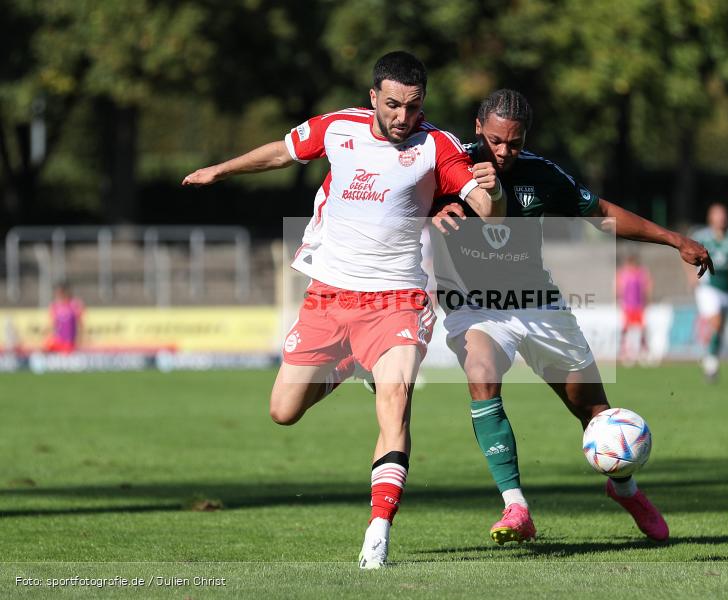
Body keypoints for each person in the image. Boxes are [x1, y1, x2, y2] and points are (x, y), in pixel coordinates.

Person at [182, 51, 506, 569]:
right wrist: (220, 171)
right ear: (374, 97)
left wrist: (489, 191)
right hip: (329, 295)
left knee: (395, 398)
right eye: (394, 105)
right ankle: (352, 365)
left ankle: (377, 532)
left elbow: (484, 207)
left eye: (414, 106)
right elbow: (281, 153)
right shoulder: (337, 128)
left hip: (398, 298)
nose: (404, 117)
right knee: (283, 411)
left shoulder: (437, 145)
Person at [429, 89, 713, 545]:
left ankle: (625, 488)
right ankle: (515, 505)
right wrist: (431, 213)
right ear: (479, 127)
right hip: (476, 305)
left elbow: (599, 212)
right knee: (481, 373)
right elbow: (397, 207)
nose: (504, 152)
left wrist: (672, 238)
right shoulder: (446, 168)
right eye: (497, 140)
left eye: (515, 143)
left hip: (539, 306)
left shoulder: (542, 175)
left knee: (596, 414)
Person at [686, 203, 728, 382]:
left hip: (727, 288)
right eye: (717, 215)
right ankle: (711, 360)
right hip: (708, 286)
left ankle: (710, 357)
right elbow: (686, 253)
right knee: (717, 322)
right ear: (710, 218)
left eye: (723, 215)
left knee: (719, 328)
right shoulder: (702, 237)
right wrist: (690, 274)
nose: (721, 219)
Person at [616, 254, 653, 365]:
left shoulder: (641, 272)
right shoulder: (623, 273)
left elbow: (647, 286)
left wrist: (647, 300)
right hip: (627, 306)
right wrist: (619, 301)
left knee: (642, 329)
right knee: (625, 330)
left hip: (639, 306)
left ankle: (644, 351)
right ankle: (625, 352)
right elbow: (619, 288)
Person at [43, 282, 83, 354]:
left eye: (60, 292)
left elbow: (80, 324)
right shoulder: (55, 306)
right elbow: (52, 325)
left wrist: (80, 340)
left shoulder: (74, 304)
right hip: (58, 341)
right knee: (45, 348)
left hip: (69, 342)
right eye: (57, 293)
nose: (58, 295)